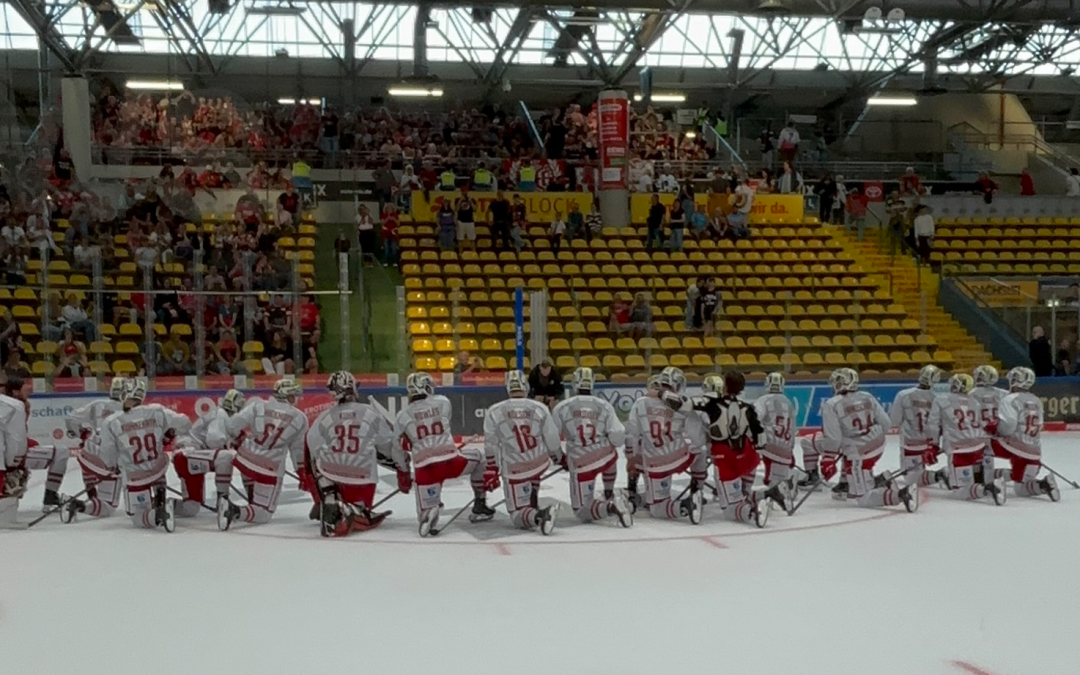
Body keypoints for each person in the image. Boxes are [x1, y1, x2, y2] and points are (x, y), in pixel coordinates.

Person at [67, 379, 192, 531]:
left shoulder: (112, 421)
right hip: (157, 469)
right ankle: (160, 493)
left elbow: (108, 459)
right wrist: (170, 432)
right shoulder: (157, 410)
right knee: (161, 458)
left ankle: (160, 513)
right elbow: (185, 422)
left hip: (135, 477)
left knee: (138, 518)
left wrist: (114, 466)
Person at [797, 368, 918, 511]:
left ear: (840, 383)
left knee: (863, 498)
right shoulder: (867, 396)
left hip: (859, 455)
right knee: (847, 446)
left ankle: (901, 494)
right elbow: (886, 424)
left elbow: (834, 438)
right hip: (878, 446)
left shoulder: (832, 404)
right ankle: (872, 481)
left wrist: (828, 459)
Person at [392, 372, 497, 536]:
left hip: (424, 469)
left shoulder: (401, 416)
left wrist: (403, 472)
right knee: (480, 457)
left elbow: (396, 449)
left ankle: (429, 511)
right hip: (450, 462)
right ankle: (480, 503)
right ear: (427, 387)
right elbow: (443, 424)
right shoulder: (443, 402)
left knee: (426, 521)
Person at [692, 371, 786, 527]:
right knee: (741, 495)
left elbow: (705, 431)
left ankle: (753, 511)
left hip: (726, 458)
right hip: (749, 457)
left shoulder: (712, 405)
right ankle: (767, 493)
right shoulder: (747, 406)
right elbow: (758, 435)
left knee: (730, 510)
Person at [220, 379, 311, 530]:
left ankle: (250, 500)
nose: (297, 398)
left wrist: (238, 439)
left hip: (244, 459)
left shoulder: (257, 405)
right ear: (287, 396)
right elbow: (298, 450)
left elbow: (232, 425)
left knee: (251, 474)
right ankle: (233, 510)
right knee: (263, 514)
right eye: (295, 395)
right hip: (268, 467)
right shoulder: (300, 417)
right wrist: (302, 472)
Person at [483, 370, 563, 534]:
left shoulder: (494, 411)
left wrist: (492, 468)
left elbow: (491, 444)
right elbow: (552, 437)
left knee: (517, 516)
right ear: (525, 386)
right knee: (533, 467)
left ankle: (540, 515)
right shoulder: (539, 407)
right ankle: (531, 498)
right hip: (538, 462)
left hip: (515, 468)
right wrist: (559, 457)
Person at [551, 367, 632, 527]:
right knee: (610, 453)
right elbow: (618, 434)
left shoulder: (562, 407)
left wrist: (560, 458)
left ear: (575, 384)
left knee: (581, 511)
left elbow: (552, 439)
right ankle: (609, 492)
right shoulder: (605, 405)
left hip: (581, 461)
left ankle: (610, 506)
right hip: (604, 456)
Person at [624, 366, 707, 521]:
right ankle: (697, 490)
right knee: (700, 451)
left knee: (657, 509)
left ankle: (685, 505)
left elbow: (631, 434)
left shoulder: (641, 402)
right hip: (677, 456)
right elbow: (697, 437)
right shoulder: (681, 404)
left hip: (655, 461)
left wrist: (631, 457)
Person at [928, 374, 1005, 504]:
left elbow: (933, 424)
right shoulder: (974, 401)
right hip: (977, 447)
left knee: (959, 491)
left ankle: (987, 488)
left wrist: (933, 445)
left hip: (958, 450)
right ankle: (984, 485)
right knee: (970, 483)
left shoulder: (942, 399)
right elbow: (981, 424)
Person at [60, 378, 127, 523]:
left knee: (89, 456)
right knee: (108, 506)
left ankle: (92, 497)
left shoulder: (97, 404)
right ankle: (80, 505)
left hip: (88, 452)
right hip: (109, 458)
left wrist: (81, 434)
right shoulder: (129, 410)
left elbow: (71, 419)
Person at [171, 389, 244, 519]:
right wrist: (230, 443)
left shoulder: (219, 414)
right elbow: (214, 440)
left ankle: (161, 505)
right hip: (188, 453)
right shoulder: (221, 415)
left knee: (190, 509)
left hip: (187, 457)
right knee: (225, 458)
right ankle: (223, 501)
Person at [987, 367, 1058, 500]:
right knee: (1022, 489)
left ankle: (984, 479)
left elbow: (1008, 426)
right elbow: (1040, 424)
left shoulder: (1010, 399)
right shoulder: (1037, 400)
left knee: (982, 445)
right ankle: (1044, 484)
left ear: (1014, 381)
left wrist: (995, 429)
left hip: (1014, 448)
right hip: (1034, 452)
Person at [0, 377, 70, 512]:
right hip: (10, 454)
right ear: (15, 391)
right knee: (61, 453)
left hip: (8, 452)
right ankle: (50, 496)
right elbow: (14, 436)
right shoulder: (16, 406)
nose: (28, 389)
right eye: (24, 387)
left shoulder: (15, 404)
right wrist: (16, 458)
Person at [889, 365, 944, 491]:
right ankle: (934, 475)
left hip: (910, 443)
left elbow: (895, 420)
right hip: (928, 445)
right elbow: (939, 426)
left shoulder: (903, 395)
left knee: (911, 479)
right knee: (916, 474)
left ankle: (939, 475)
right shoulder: (937, 399)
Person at [752, 372, 798, 507]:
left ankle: (778, 490)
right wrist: (791, 449)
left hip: (769, 445)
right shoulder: (788, 402)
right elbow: (793, 428)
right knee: (777, 478)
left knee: (771, 479)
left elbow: (755, 419)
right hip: (786, 446)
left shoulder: (763, 400)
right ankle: (787, 483)